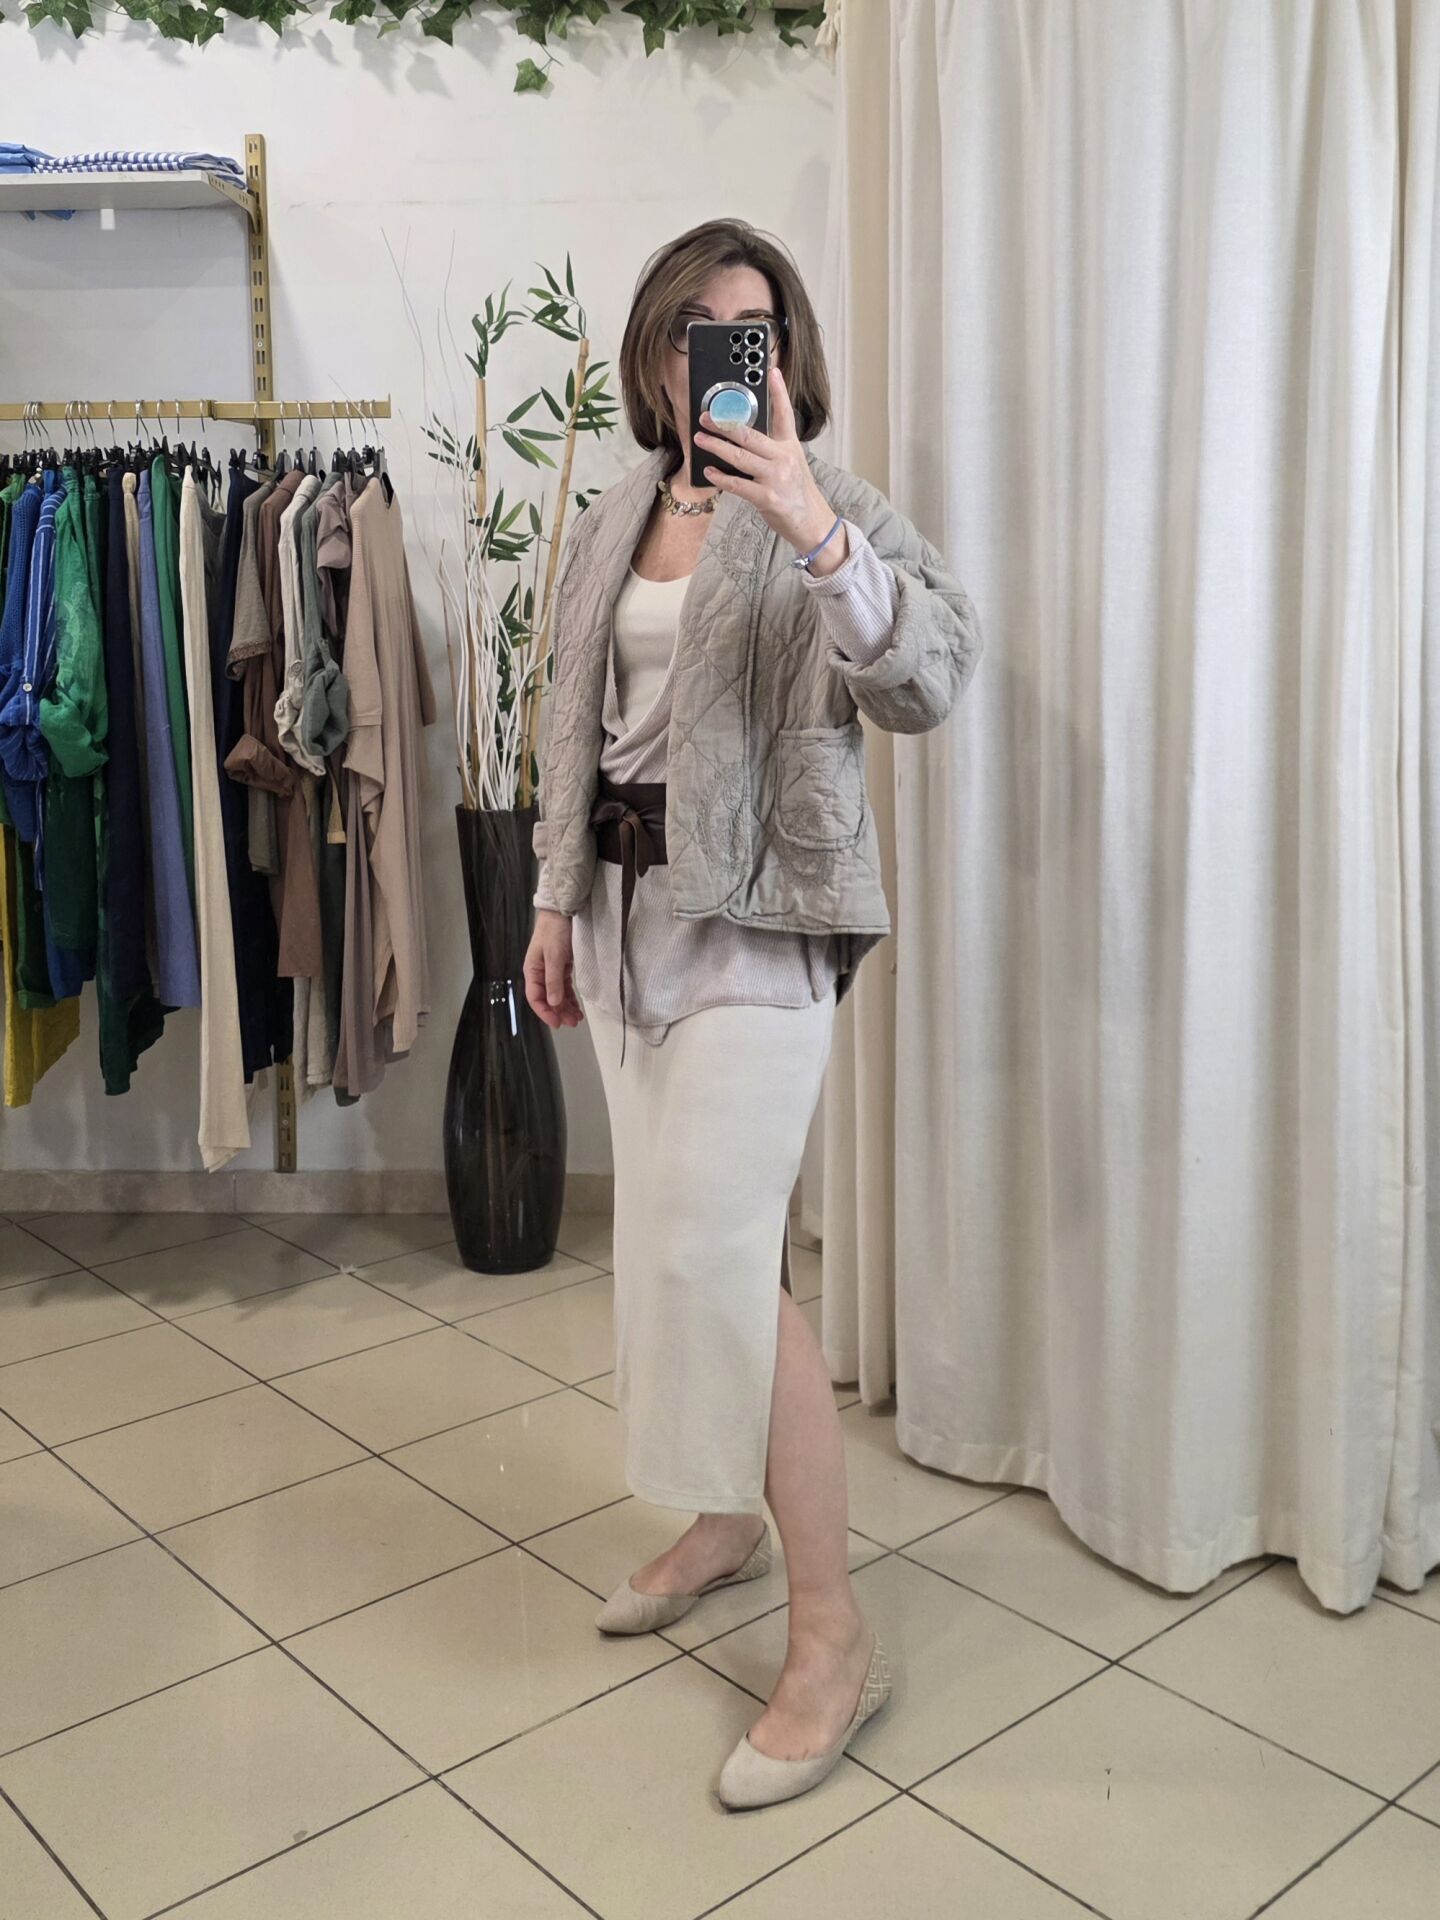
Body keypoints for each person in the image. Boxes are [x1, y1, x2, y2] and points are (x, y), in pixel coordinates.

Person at [523, 218, 981, 1809]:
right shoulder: (617, 513)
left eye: (759, 329)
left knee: (714, 1260)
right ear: (659, 354)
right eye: (703, 328)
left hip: (762, 929)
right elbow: (568, 718)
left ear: (784, 356)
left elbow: (930, 677)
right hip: (626, 932)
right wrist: (550, 899)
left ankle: (833, 1633)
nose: (732, 353)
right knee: (685, 1254)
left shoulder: (825, 500)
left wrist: (814, 531)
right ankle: (726, 1519)